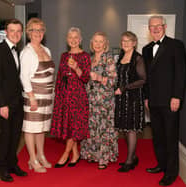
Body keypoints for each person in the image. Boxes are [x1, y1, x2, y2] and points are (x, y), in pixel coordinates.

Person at [142, 15, 186, 186]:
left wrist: (177, 97)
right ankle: (161, 165)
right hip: (153, 101)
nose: (155, 28)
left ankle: (172, 172)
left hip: (170, 101)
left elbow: (181, 73)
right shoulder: (146, 49)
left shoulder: (176, 45)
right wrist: (146, 97)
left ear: (164, 26)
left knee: (170, 137)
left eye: (158, 25)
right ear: (149, 28)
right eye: (151, 26)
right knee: (158, 136)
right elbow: (147, 77)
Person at [0, 18, 27, 182]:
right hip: (5, 103)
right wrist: (2, 104)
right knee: (5, 136)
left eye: (19, 31)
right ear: (6, 32)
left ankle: (13, 164)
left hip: (18, 102)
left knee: (16, 135)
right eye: (12, 31)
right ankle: (2, 168)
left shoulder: (18, 50)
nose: (16, 34)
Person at [50, 27, 91, 168]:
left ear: (80, 40)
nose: (73, 40)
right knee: (68, 125)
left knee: (75, 124)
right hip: (64, 95)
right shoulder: (64, 56)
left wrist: (76, 68)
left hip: (78, 95)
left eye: (76, 37)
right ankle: (76, 154)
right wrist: (57, 94)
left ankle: (66, 154)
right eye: (70, 37)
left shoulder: (85, 56)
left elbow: (86, 78)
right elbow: (60, 76)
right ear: (67, 40)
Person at [20, 18, 55, 173]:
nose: (38, 33)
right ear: (28, 33)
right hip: (33, 96)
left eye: (40, 30)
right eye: (34, 30)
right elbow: (23, 76)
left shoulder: (46, 50)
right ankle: (32, 159)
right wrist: (32, 97)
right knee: (31, 128)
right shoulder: (27, 52)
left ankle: (41, 155)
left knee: (41, 128)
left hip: (47, 97)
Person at [80, 31, 118, 169]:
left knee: (104, 128)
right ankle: (91, 154)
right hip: (90, 99)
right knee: (92, 126)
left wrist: (99, 78)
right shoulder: (89, 58)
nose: (97, 44)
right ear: (92, 43)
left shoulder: (109, 59)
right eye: (95, 41)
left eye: (100, 41)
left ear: (105, 44)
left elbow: (113, 81)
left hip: (104, 100)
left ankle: (104, 157)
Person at [114, 31, 146, 172]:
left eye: (128, 41)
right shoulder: (121, 56)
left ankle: (129, 161)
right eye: (123, 41)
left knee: (131, 129)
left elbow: (143, 80)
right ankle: (132, 156)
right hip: (121, 98)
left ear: (134, 42)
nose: (125, 43)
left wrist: (124, 87)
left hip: (133, 98)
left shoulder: (138, 58)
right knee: (125, 129)